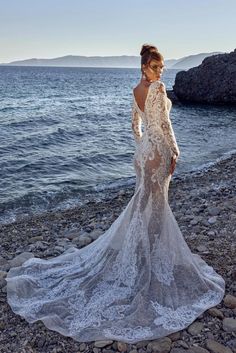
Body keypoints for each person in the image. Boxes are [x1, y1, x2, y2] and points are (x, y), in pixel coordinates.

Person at [6, 44, 225, 344]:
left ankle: (138, 254)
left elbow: (136, 126)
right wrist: (175, 151)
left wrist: (141, 148)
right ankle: (150, 259)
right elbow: (165, 126)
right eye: (156, 67)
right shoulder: (158, 90)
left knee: (142, 202)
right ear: (145, 67)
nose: (161, 72)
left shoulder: (135, 90)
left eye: (161, 67)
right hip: (158, 154)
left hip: (142, 155)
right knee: (156, 205)